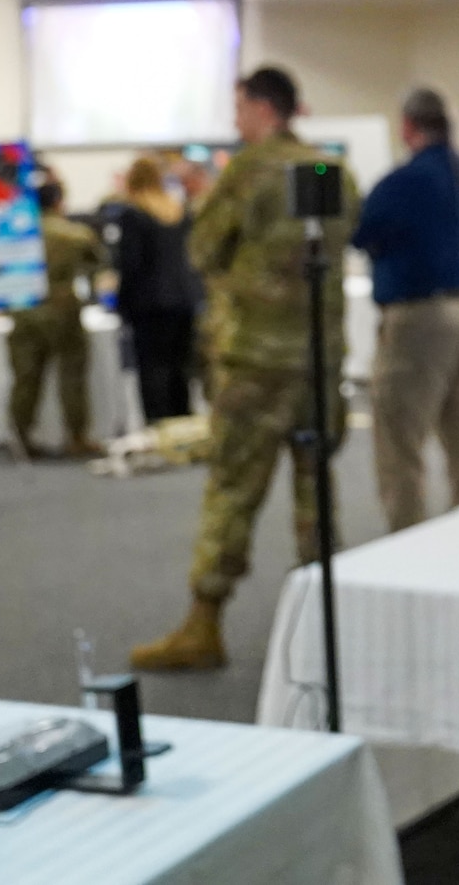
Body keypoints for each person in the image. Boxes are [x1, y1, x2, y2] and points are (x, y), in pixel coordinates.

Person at [131, 67, 360, 672]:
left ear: (263, 108)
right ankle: (330, 622)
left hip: (255, 360)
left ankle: (204, 622)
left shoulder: (246, 171)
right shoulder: (332, 170)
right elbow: (345, 238)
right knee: (318, 488)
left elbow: (203, 248)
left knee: (233, 488)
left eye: (238, 107)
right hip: (318, 356)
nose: (235, 120)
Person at [352, 88, 459, 532]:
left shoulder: (407, 180)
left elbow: (361, 231)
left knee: (400, 437)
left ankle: (407, 539)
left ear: (408, 127)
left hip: (422, 317)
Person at [7, 177, 106, 458]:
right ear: (59, 201)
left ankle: (20, 437)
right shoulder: (75, 235)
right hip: (63, 308)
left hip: (25, 309)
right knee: (72, 375)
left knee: (26, 377)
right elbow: (96, 263)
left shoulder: (16, 234)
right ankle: (76, 436)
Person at [114, 156, 202, 424]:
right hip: (184, 299)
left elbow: (131, 264)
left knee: (152, 368)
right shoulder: (178, 210)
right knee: (179, 367)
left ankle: (159, 426)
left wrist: (121, 303)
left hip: (149, 303)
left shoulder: (133, 214)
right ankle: (182, 423)